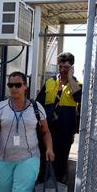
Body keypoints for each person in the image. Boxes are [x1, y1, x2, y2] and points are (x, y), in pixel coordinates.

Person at [35, 52, 82, 183]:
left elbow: (78, 98)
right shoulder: (50, 82)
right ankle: (43, 186)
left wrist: (70, 77)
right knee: (44, 160)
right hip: (47, 130)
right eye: (60, 66)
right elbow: (39, 104)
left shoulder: (77, 84)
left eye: (66, 67)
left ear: (71, 67)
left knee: (60, 162)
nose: (62, 70)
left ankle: (58, 186)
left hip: (65, 132)